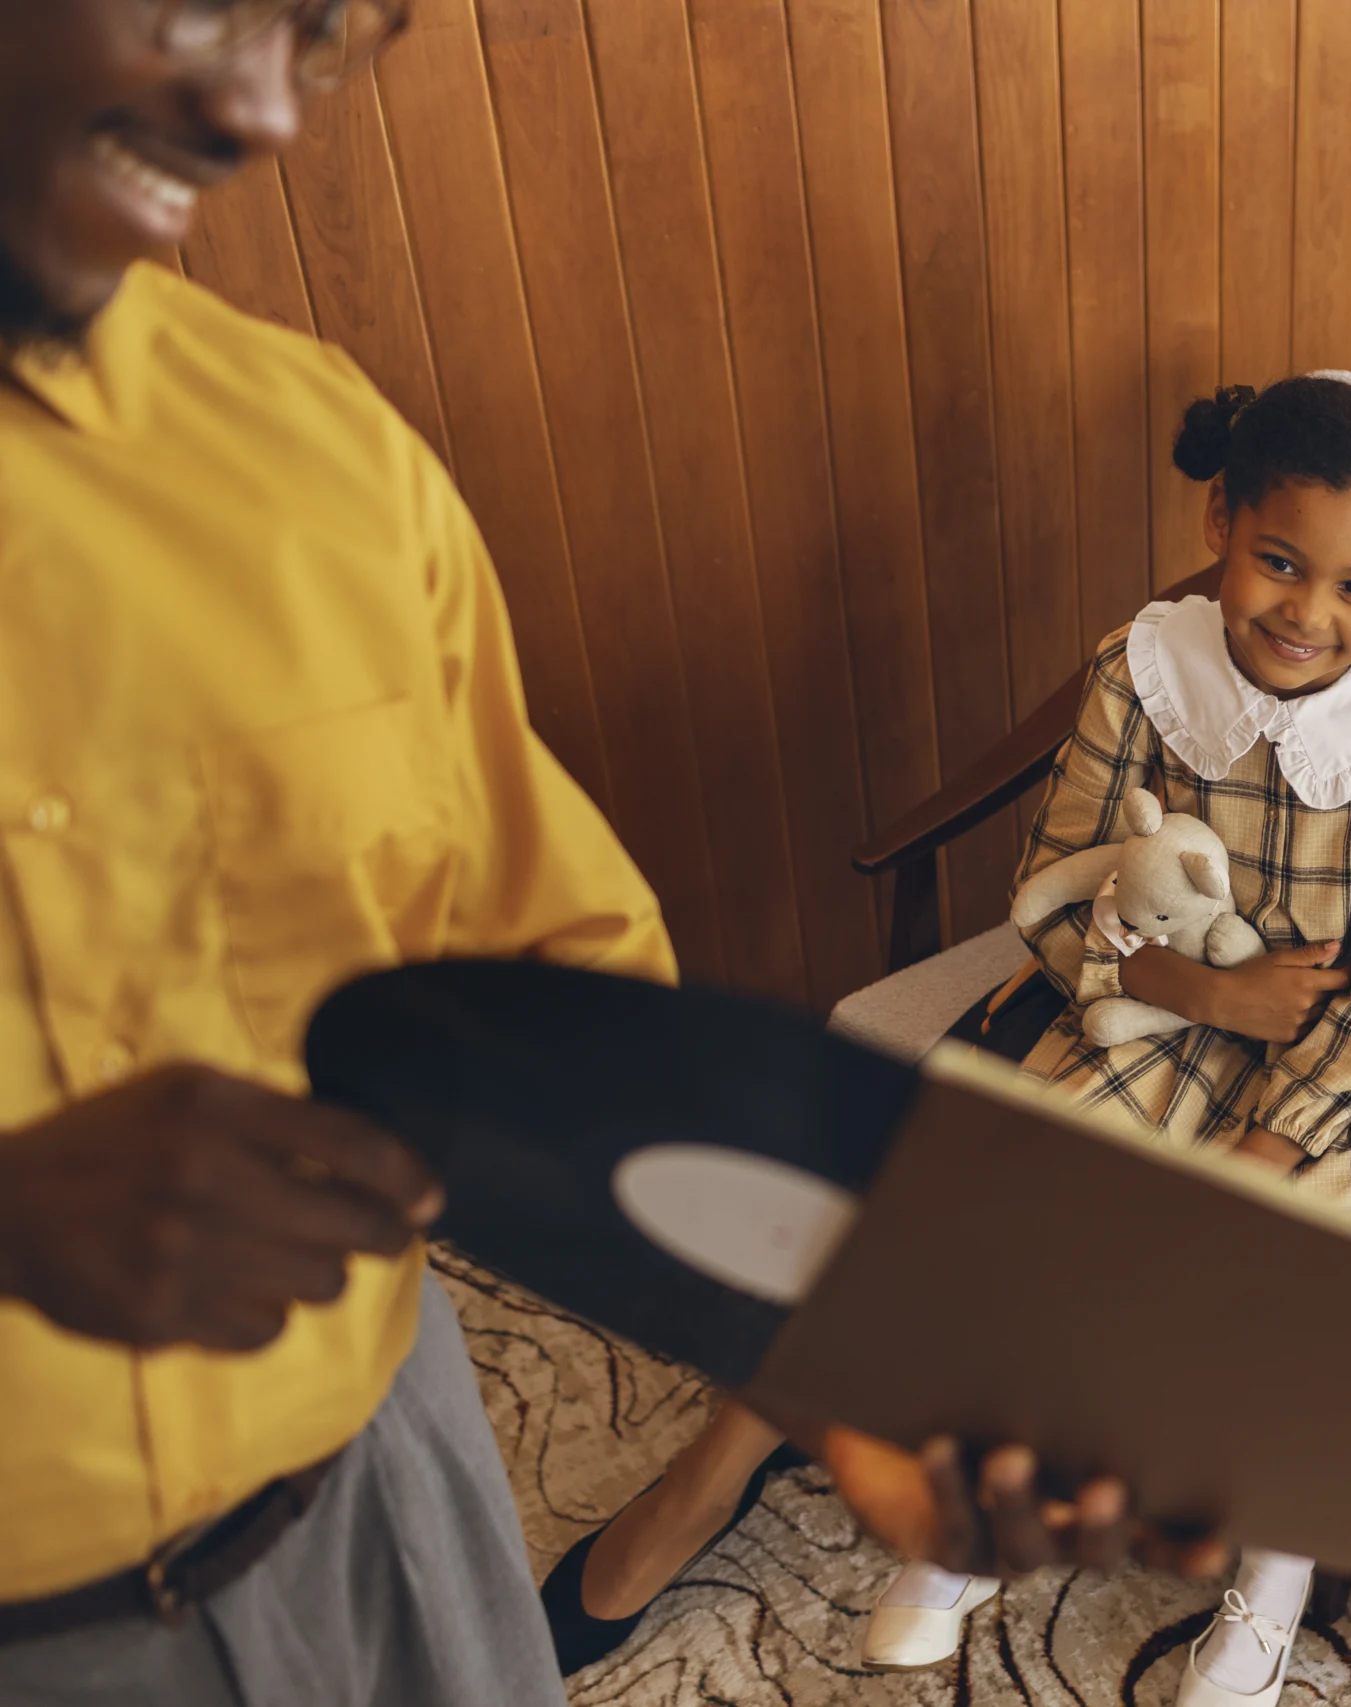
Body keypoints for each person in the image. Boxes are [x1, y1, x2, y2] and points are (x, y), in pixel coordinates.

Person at [0, 4, 1170, 1700]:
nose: (257, 109)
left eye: (322, 39)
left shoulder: (317, 461)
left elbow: (558, 1000)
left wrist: (838, 1356)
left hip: (383, 1483)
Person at [562, 375, 1351, 1699]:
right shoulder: (1146, 664)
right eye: (1279, 564)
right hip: (1162, 1008)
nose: (1309, 615)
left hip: (1339, 1063)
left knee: (1288, 1273)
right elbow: (1056, 879)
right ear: (1221, 517)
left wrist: (1274, 1132)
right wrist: (1196, 992)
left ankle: (1273, 1574)